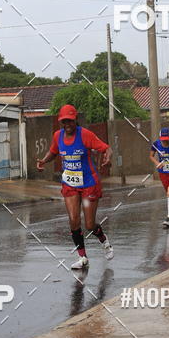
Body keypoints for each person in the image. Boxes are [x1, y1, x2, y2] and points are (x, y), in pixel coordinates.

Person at [37, 104, 113, 270]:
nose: (67, 125)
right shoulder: (58, 136)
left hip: (88, 183)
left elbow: (106, 148)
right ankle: (82, 257)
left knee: (90, 225)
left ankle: (104, 241)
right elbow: (53, 152)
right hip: (70, 183)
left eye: (70, 121)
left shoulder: (85, 134)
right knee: (73, 220)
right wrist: (44, 160)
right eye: (64, 122)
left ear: (75, 120)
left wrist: (107, 159)